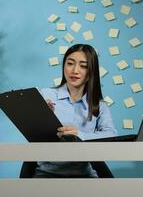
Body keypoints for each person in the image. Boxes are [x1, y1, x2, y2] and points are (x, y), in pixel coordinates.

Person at [34, 44, 117, 178]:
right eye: (70, 63)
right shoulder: (46, 94)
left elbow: (111, 135)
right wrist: (42, 115)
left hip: (85, 176)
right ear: (64, 67)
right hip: (46, 175)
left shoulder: (99, 106)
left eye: (83, 66)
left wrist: (80, 136)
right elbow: (32, 131)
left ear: (91, 71)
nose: (75, 70)